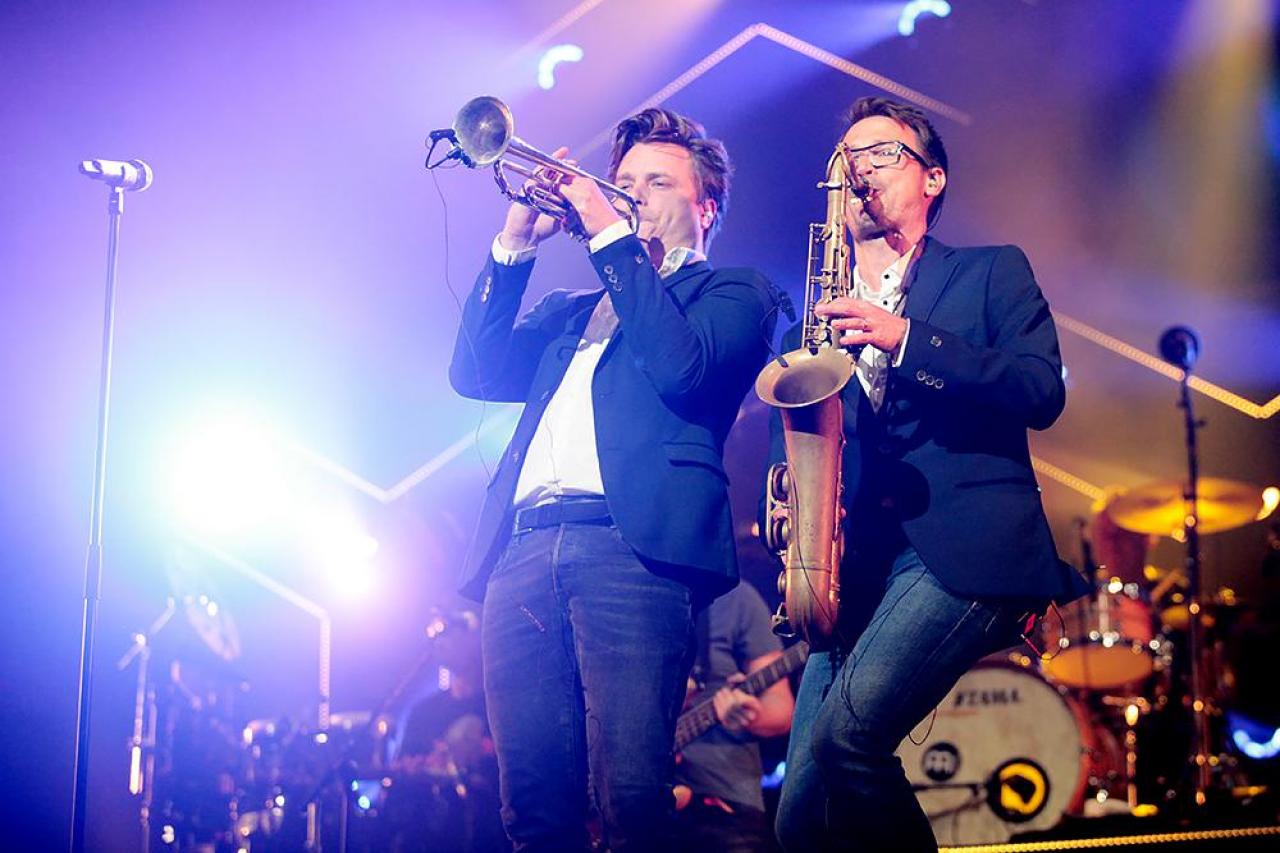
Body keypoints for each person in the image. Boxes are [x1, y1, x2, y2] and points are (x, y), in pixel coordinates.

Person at [448, 107, 779, 852]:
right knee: (533, 807)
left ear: (706, 206)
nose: (629, 194)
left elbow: (682, 367)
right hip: (521, 552)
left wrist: (608, 234)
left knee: (630, 798)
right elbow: (474, 372)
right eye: (623, 180)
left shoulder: (735, 293)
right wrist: (514, 242)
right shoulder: (571, 311)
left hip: (630, 552)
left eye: (656, 182)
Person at [767, 97, 1090, 852]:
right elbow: (804, 440)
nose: (858, 167)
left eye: (881, 152)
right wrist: (785, 511)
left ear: (932, 178)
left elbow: (1040, 391)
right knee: (799, 821)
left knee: (847, 737)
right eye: (847, 156)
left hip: (965, 550)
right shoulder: (813, 315)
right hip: (852, 570)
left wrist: (907, 339)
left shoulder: (990, 270)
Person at [673, 582, 795, 853]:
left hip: (726, 800)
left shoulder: (736, 598)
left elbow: (782, 709)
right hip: (645, 804)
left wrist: (750, 715)